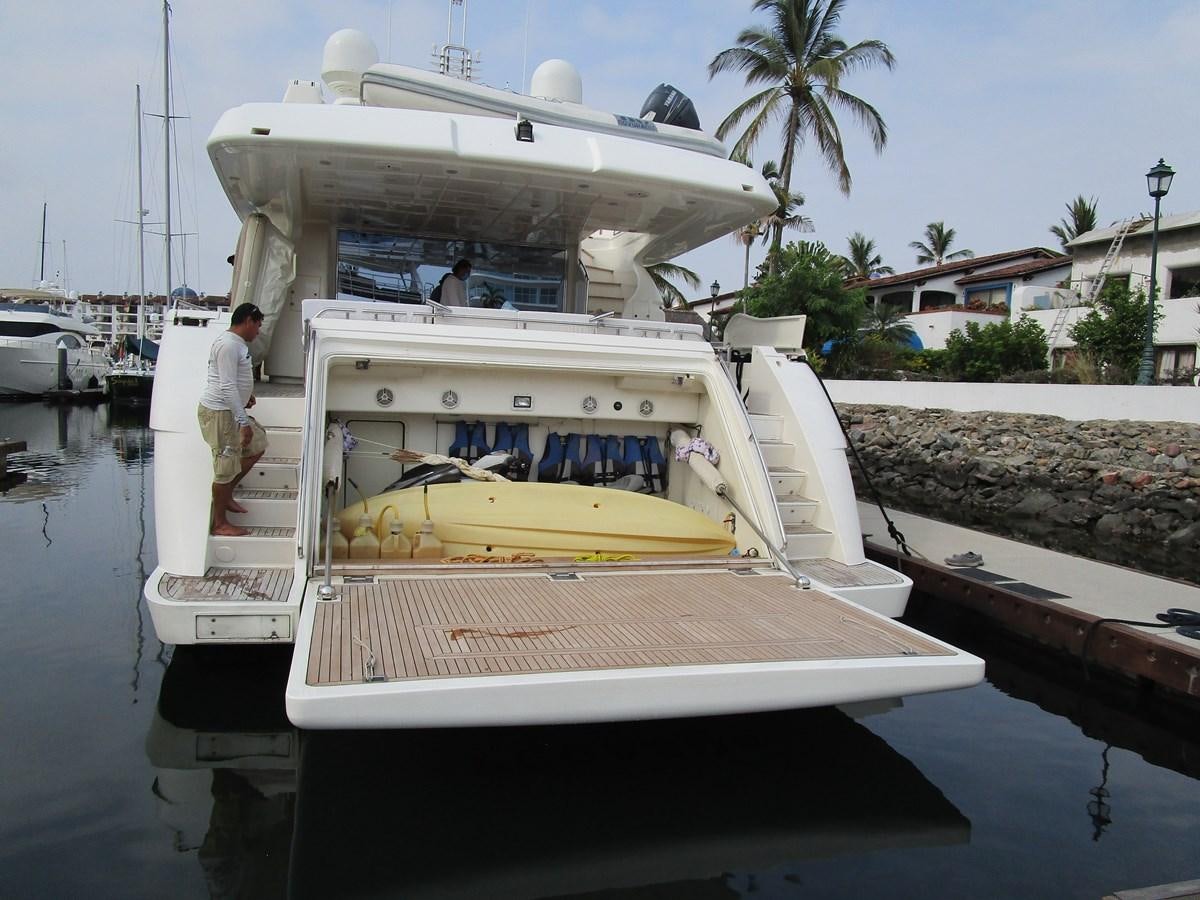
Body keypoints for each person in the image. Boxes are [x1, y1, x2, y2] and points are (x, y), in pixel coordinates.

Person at [197, 303, 269, 536]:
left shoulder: (236, 345)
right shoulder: (228, 345)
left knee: (257, 445)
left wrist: (246, 397)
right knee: (225, 467)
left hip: (230, 410)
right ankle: (220, 523)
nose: (257, 332)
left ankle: (226, 495)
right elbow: (226, 385)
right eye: (257, 326)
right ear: (248, 321)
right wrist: (243, 422)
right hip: (220, 414)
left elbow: (232, 382)